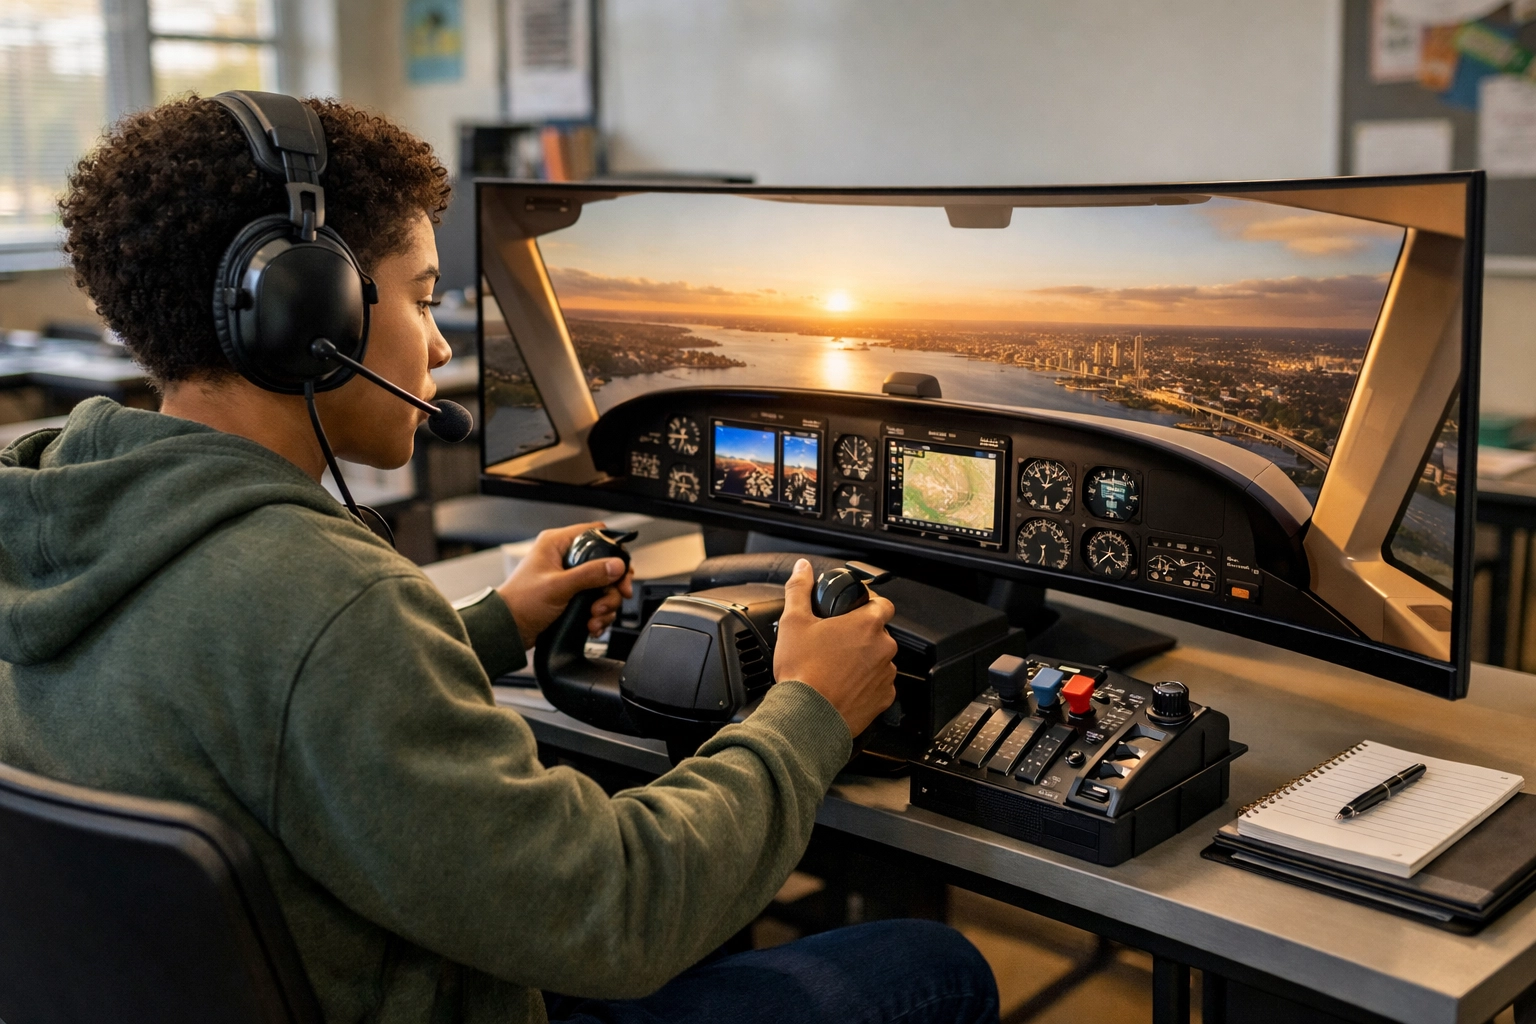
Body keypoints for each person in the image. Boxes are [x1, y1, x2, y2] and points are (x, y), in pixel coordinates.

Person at [0, 96, 999, 1024]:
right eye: (424, 300)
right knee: (935, 965)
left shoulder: (54, 517)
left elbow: (249, 704)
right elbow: (621, 910)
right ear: (310, 319)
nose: (438, 348)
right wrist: (810, 712)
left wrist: (491, 623)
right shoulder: (326, 605)